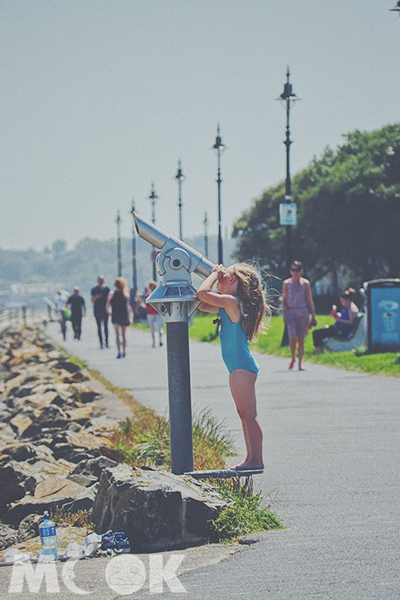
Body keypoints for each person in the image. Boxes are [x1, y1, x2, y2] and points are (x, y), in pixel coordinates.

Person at [197, 263, 268, 471]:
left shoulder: (231, 302)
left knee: (249, 414)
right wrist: (217, 275)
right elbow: (202, 304)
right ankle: (250, 459)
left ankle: (256, 460)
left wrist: (213, 274)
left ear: (232, 281)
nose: (219, 277)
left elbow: (202, 293)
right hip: (237, 368)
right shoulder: (227, 304)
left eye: (224, 275)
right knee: (243, 413)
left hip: (242, 367)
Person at [282, 261, 317, 371]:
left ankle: (300, 362)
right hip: (291, 312)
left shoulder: (305, 284)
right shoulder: (287, 283)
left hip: (303, 312)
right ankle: (293, 357)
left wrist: (313, 315)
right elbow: (284, 299)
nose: (294, 273)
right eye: (292, 270)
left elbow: (309, 299)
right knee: (292, 337)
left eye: (297, 270)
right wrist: (285, 314)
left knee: (301, 339)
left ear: (301, 271)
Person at [313, 288, 359, 354]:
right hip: (339, 329)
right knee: (319, 332)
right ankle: (319, 350)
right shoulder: (348, 307)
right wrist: (336, 315)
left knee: (317, 332)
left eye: (342, 301)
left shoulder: (352, 309)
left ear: (348, 300)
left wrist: (338, 319)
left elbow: (351, 322)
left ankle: (319, 351)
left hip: (342, 331)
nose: (341, 303)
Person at [106, 277, 131, 358]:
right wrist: (109, 311)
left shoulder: (125, 294)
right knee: (118, 334)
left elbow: (128, 307)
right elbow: (108, 304)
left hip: (121, 315)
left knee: (122, 334)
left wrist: (129, 316)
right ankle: (119, 351)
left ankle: (123, 351)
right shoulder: (112, 294)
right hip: (117, 315)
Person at [90, 275, 110, 349]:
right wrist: (97, 297)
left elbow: (110, 299)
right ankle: (101, 342)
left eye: (102, 280)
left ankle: (107, 342)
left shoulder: (107, 289)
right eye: (100, 280)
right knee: (99, 327)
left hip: (105, 310)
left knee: (106, 327)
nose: (101, 282)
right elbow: (92, 300)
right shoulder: (94, 290)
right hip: (97, 310)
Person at [146, 281, 163, 348]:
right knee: (152, 328)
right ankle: (154, 341)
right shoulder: (149, 295)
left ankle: (160, 340)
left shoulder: (154, 295)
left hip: (157, 313)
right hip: (151, 313)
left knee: (159, 327)